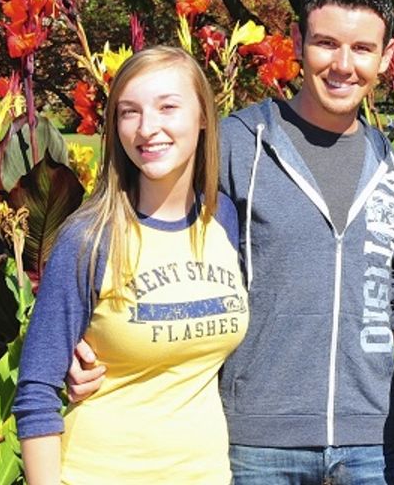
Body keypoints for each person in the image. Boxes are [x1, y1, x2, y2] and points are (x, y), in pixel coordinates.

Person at [65, 0, 394, 484]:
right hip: (256, 442)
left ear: (384, 59)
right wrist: (86, 344)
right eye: (325, 43)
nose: (343, 65)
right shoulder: (234, 145)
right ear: (298, 43)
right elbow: (145, 237)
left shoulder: (391, 168)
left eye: (363, 48)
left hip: (373, 444)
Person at [13, 46, 247, 484]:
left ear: (202, 117)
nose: (147, 128)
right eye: (129, 112)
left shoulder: (224, 220)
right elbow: (36, 391)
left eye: (167, 107)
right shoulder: (90, 238)